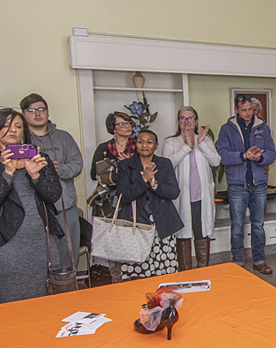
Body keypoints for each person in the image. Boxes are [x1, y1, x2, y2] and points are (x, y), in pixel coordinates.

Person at [0, 107, 63, 303]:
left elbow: (53, 195)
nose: (12, 130)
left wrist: (35, 174)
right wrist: (8, 173)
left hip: (42, 245)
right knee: (10, 308)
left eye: (18, 126)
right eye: (5, 125)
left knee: (48, 303)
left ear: (24, 132)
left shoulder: (39, 158)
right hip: (4, 248)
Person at [20, 93, 83, 270]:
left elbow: (77, 165)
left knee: (68, 257)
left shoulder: (64, 137)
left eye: (41, 109)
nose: (37, 114)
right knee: (38, 257)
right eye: (31, 110)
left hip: (65, 205)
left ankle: (69, 291)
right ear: (24, 114)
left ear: (48, 112)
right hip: (34, 209)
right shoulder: (21, 141)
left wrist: (56, 169)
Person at [216, 94, 276, 274]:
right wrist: (243, 156)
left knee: (258, 225)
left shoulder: (263, 128)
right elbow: (223, 156)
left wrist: (260, 158)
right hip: (237, 185)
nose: (248, 113)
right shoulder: (227, 129)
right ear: (236, 110)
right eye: (244, 110)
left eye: (250, 109)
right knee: (237, 226)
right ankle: (237, 263)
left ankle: (259, 261)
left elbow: (272, 154)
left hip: (258, 184)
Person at [115, 129, 184, 280]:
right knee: (137, 275)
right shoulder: (125, 165)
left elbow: (174, 192)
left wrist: (155, 185)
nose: (144, 145)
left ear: (156, 146)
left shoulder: (164, 164)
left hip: (162, 222)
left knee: (165, 273)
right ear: (135, 145)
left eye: (149, 142)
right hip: (136, 224)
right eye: (140, 141)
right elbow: (123, 196)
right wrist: (143, 180)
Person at [162, 106, 221, 270]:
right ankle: (185, 273)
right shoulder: (171, 142)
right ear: (178, 121)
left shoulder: (204, 139)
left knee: (202, 231)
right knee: (183, 234)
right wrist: (186, 147)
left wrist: (201, 144)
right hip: (181, 197)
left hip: (202, 196)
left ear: (196, 121)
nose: (186, 121)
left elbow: (215, 161)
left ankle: (203, 269)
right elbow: (167, 165)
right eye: (182, 118)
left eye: (190, 118)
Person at [88, 112, 136, 218]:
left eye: (129, 123)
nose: (128, 126)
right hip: (108, 196)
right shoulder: (103, 148)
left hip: (132, 193)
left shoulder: (138, 146)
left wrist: (130, 163)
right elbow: (93, 175)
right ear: (113, 128)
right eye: (122, 124)